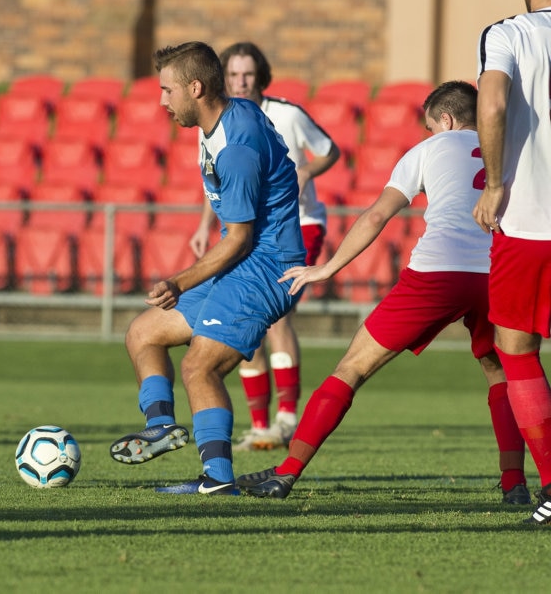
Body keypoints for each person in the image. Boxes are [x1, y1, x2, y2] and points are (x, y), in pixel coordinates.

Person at [238, 81, 530, 505]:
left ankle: (285, 474)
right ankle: (514, 485)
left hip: (437, 273)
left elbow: (377, 215)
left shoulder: (429, 150)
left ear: (445, 121)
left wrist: (328, 267)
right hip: (497, 273)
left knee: (351, 369)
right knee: (499, 373)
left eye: (431, 127)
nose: (430, 135)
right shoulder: (508, 148)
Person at [108, 41, 305, 495]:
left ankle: (218, 480)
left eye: (167, 90)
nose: (162, 101)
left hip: (267, 267)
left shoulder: (236, 145)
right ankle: (160, 428)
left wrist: (178, 281)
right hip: (240, 262)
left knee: (200, 366)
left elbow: (240, 237)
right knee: (143, 333)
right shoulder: (218, 119)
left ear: (195, 88)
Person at [190, 42, 341, 451]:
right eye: (234, 74)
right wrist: (206, 226)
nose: (241, 81)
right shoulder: (220, 125)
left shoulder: (286, 114)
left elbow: (330, 149)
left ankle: (287, 418)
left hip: (297, 227)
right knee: (241, 318)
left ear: (261, 76)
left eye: (248, 74)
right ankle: (260, 425)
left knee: (275, 319)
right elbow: (221, 182)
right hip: (246, 233)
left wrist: (306, 171)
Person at [471, 0, 551, 525]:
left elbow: (492, 105)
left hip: (529, 220)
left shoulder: (508, 35)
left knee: (517, 348)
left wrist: (495, 183)